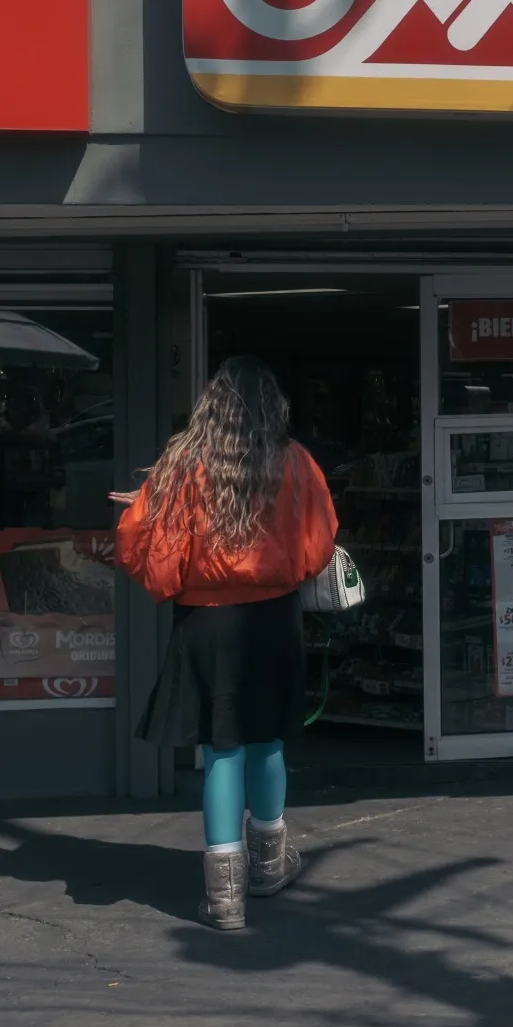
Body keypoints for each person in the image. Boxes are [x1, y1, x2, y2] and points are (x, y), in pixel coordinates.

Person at [113, 356, 338, 931]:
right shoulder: (296, 463)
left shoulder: (182, 467)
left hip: (204, 622)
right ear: (273, 405)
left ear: (211, 406)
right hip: (272, 620)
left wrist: (144, 506)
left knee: (220, 749)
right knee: (268, 745)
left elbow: (150, 553)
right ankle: (267, 866)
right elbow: (317, 549)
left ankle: (224, 897)